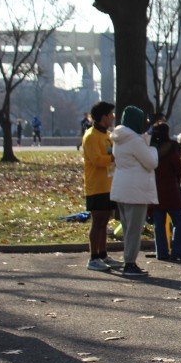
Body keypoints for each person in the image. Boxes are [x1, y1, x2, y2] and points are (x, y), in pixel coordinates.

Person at [109, 106, 158, 277]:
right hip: (136, 189)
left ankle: (128, 259)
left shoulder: (119, 138)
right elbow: (151, 162)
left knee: (127, 227)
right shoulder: (135, 140)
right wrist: (153, 147)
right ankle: (130, 263)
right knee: (134, 230)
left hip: (121, 186)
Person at [81, 101, 122, 272]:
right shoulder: (91, 136)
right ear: (104, 116)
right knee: (97, 221)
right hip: (96, 186)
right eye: (111, 114)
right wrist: (114, 157)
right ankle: (93, 258)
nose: (113, 117)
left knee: (104, 221)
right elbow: (97, 159)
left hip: (108, 184)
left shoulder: (107, 135)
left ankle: (103, 254)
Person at [148, 123, 181, 262]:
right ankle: (178, 251)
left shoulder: (150, 149)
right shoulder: (171, 149)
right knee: (180, 221)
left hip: (154, 190)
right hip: (171, 191)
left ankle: (161, 252)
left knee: (159, 225)